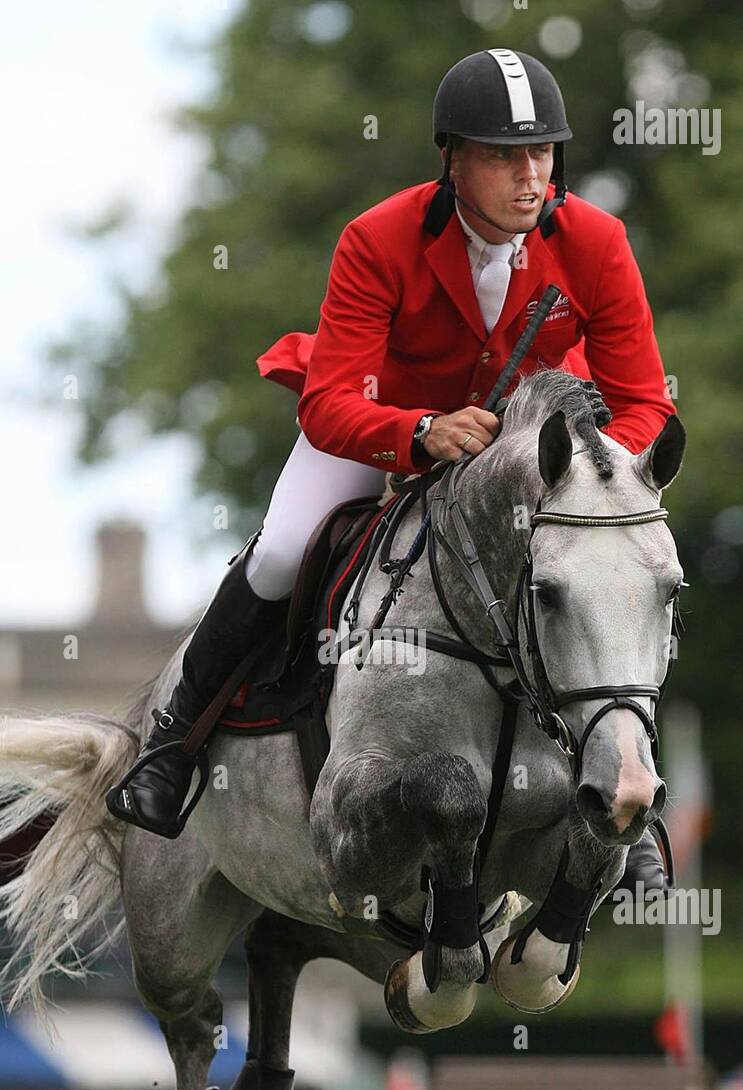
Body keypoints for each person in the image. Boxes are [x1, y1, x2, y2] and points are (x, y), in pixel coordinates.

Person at [106, 47, 675, 897]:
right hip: (382, 430)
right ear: (451, 158)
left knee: (617, 568)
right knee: (278, 551)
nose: (529, 177)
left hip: (531, 462)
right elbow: (329, 403)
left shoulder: (595, 240)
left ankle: (629, 808)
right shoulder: (378, 238)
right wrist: (417, 433)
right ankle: (174, 745)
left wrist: (590, 475)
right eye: (502, 156)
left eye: (542, 154)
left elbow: (643, 403)